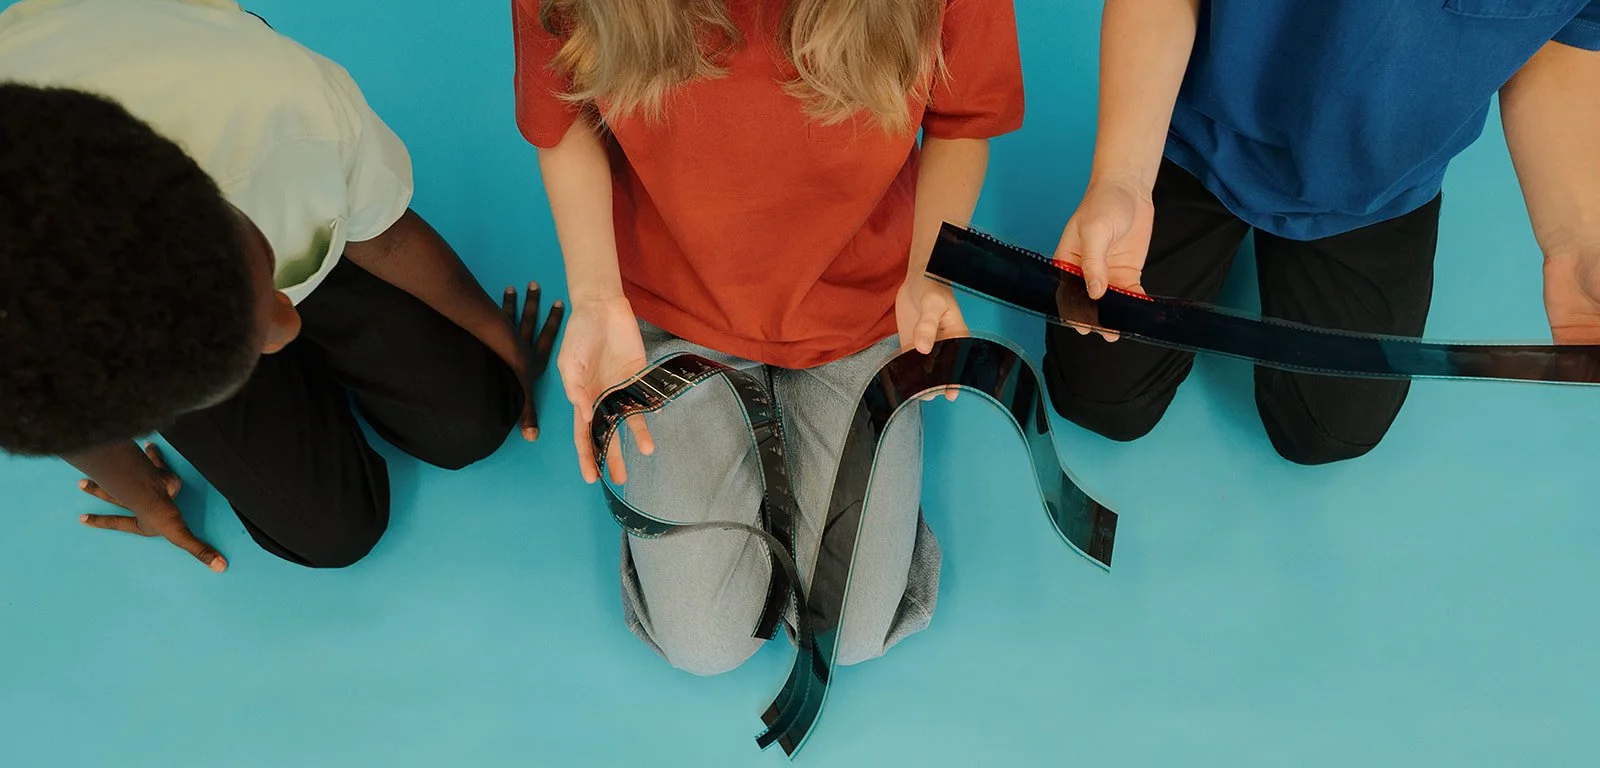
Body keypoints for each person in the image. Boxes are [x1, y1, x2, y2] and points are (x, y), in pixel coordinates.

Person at [514, 0, 1023, 674]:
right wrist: (596, 295)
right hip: (670, 309)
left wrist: (930, 273)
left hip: (863, 307)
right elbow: (563, 109)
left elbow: (962, 121)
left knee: (849, 631)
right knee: (702, 640)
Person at [0, 0, 562, 571]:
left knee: (474, 418)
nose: (287, 324)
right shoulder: (36, 350)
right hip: (147, 304)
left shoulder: (284, 109)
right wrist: (137, 489)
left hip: (248, 146)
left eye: (267, 275)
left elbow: (386, 238)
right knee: (330, 532)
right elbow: (45, 408)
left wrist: (489, 326)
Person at [1046, 0, 1600, 465]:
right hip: (1196, 129)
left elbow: (1567, 33)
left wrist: (1577, 241)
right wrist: (1121, 177)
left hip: (1380, 183)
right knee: (1098, 395)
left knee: (1331, 431)